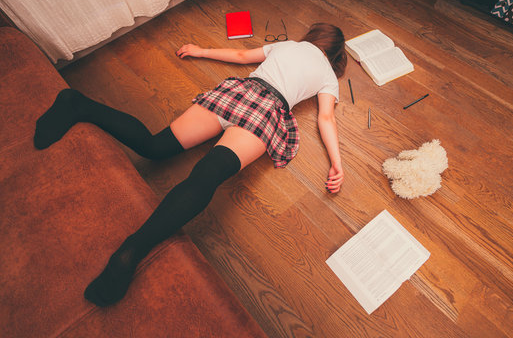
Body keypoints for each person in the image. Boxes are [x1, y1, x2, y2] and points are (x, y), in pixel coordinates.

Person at [33, 22, 347, 307]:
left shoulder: (289, 44)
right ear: (334, 56)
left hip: (240, 91)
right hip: (267, 111)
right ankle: (130, 251)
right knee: (207, 176)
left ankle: (76, 103)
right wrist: (337, 163)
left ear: (313, 36)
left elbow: (240, 55)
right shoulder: (329, 77)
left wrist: (200, 50)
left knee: (154, 147)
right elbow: (326, 118)